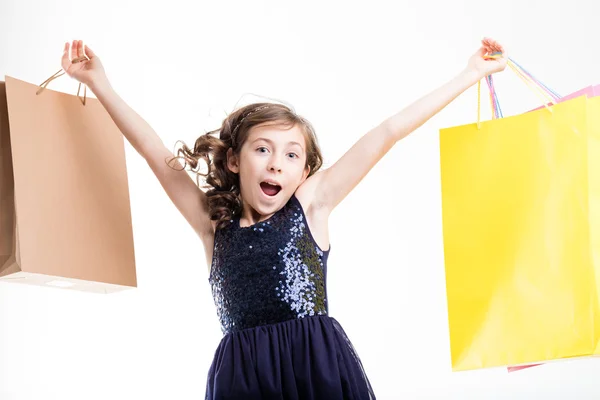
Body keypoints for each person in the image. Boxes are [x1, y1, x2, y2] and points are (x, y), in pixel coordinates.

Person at [60, 37, 506, 399]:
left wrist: (470, 74)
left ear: (306, 172)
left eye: (292, 155)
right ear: (234, 161)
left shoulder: (313, 206)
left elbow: (387, 132)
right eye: (263, 149)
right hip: (243, 380)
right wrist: (100, 84)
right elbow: (153, 153)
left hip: (318, 370)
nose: (276, 164)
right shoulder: (213, 224)